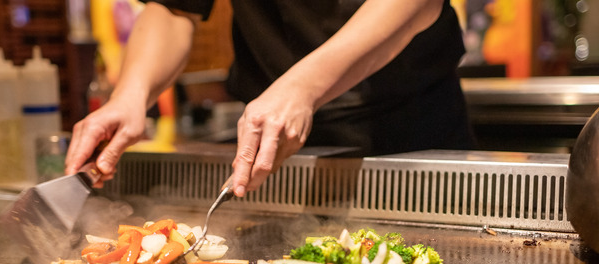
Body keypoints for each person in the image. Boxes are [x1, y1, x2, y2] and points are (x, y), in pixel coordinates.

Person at [66, 0, 473, 198]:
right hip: (269, 141)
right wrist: (131, 94)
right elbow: (174, 9)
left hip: (407, 130)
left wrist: (304, 85)